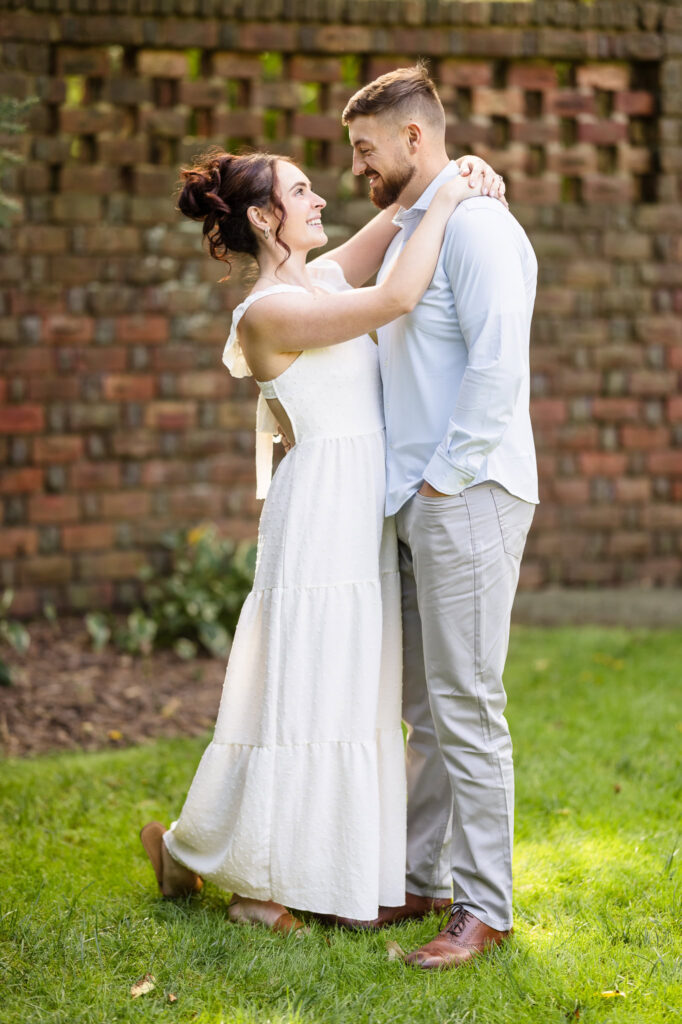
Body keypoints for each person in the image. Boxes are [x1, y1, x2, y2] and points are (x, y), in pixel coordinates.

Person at [139, 147, 505, 933]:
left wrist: (458, 170)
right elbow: (400, 294)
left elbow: (389, 219)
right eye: (299, 190)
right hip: (316, 522)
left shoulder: (322, 279)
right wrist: (446, 204)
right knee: (300, 699)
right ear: (266, 218)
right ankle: (253, 890)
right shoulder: (268, 311)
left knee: (345, 694)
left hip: (358, 516)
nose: (318, 197)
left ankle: (185, 852)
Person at [335, 64, 539, 969]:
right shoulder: (418, 227)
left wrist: (444, 484)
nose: (356, 168)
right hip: (417, 501)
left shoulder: (484, 230)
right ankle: (422, 881)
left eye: (365, 150)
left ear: (416, 138)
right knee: (424, 707)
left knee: (466, 705)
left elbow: (499, 368)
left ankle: (484, 907)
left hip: (468, 494)